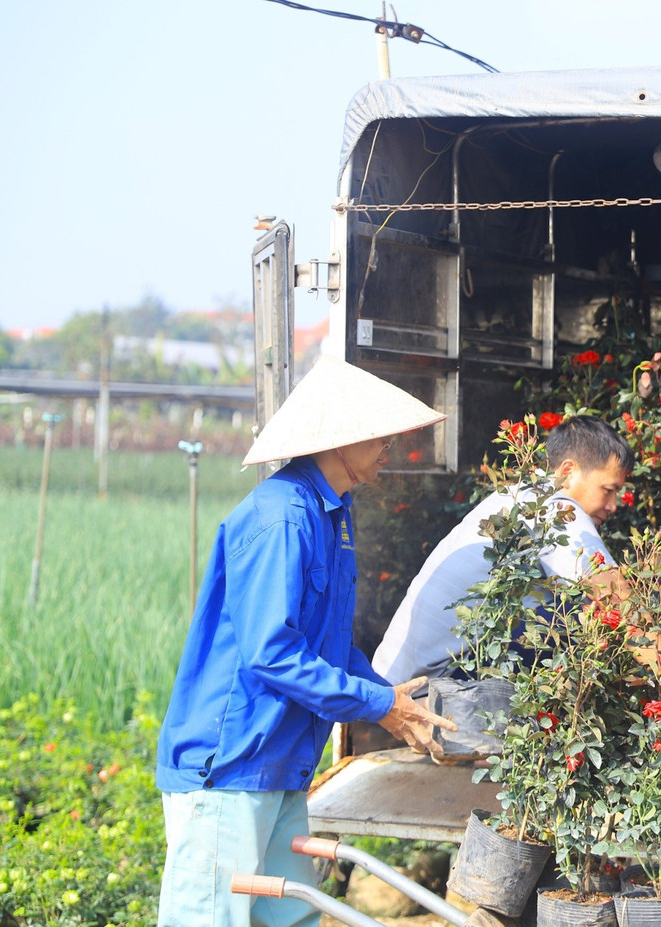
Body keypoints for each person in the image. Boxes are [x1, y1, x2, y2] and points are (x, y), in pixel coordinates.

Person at [155, 356, 459, 927]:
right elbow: (272, 652)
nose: (390, 443)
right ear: (338, 441)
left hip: (281, 766)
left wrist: (390, 701)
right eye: (377, 432)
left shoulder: (333, 513)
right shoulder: (282, 517)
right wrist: (379, 703)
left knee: (291, 919)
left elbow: (329, 646)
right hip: (231, 767)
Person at [372, 415, 636, 685]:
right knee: (578, 618)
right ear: (567, 472)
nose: (613, 505)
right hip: (429, 688)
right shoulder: (553, 507)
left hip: (396, 679)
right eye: (608, 490)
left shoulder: (521, 495)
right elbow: (618, 598)